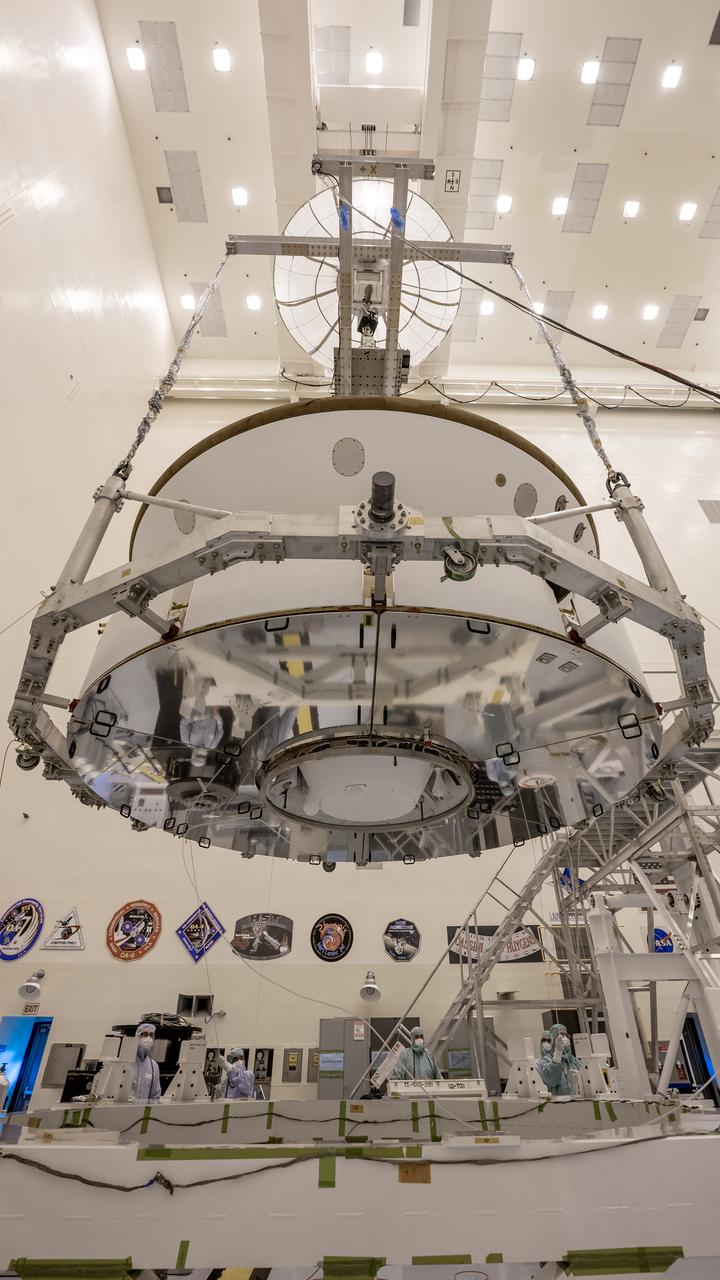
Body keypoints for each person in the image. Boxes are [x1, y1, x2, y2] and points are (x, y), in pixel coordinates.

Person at [535, 1023, 580, 1096]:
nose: (565, 1038)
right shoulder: (545, 1061)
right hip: (558, 1105)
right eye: (561, 1035)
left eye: (566, 1035)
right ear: (554, 1039)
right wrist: (558, 1053)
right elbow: (552, 1080)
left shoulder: (576, 1061)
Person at [129, 1023, 162, 1103]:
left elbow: (155, 1096)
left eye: (151, 1035)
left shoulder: (153, 1066)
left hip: (142, 1112)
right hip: (121, 1110)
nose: (148, 1038)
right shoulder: (126, 1062)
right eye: (144, 1034)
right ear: (137, 1036)